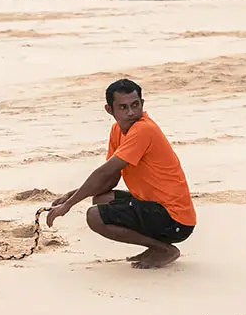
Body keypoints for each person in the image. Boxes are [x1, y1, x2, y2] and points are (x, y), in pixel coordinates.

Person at [46, 79, 196, 269]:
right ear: (110, 110)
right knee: (102, 199)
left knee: (94, 216)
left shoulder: (144, 129)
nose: (131, 112)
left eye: (135, 105)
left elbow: (104, 171)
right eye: (123, 107)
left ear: (142, 103)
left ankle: (163, 249)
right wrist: (70, 195)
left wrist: (68, 205)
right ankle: (157, 246)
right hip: (154, 207)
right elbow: (110, 178)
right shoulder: (118, 130)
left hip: (174, 219)